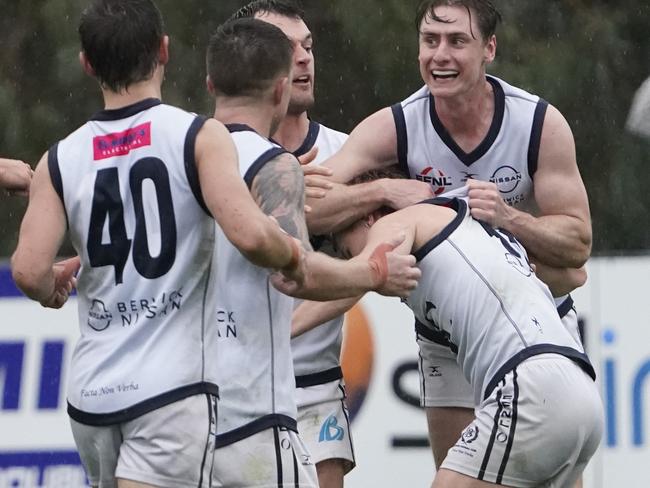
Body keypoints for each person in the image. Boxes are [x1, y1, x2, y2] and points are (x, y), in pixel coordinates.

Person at [11, 2, 418, 487]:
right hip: (189, 401)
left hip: (92, 399)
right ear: (164, 51)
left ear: (86, 63)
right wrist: (354, 266)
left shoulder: (63, 155)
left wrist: (56, 282)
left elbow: (29, 271)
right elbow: (262, 244)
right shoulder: (196, 139)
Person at [305, 0, 592, 477]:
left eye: (457, 41)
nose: (440, 55)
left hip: (535, 318)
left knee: (549, 470)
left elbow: (578, 246)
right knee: (459, 469)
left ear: (489, 49)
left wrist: (508, 218)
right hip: (446, 335)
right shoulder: (396, 124)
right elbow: (311, 205)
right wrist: (382, 188)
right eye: (429, 41)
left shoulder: (538, 123)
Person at [204, 17, 421, 488]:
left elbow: (378, 256)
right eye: (287, 47)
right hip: (224, 380)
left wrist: (291, 324)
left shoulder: (345, 151)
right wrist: (371, 192)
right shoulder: (206, 153)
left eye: (309, 46)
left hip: (313, 380)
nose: (303, 58)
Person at [279, 179, 603, 488]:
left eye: (343, 246)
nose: (348, 256)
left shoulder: (400, 220)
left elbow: (371, 268)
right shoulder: (475, 232)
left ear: (370, 217)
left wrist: (293, 292)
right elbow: (575, 274)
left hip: (531, 387)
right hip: (583, 394)